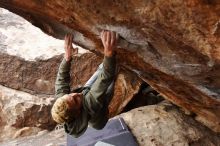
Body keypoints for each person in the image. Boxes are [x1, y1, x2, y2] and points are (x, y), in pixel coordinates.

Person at [51, 30, 117, 138]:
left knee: (101, 69)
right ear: (77, 113)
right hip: (99, 115)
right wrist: (109, 53)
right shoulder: (91, 104)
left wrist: (67, 58)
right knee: (112, 73)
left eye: (70, 95)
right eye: (75, 100)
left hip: (86, 96)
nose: (76, 94)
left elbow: (61, 80)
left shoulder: (65, 101)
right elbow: (104, 78)